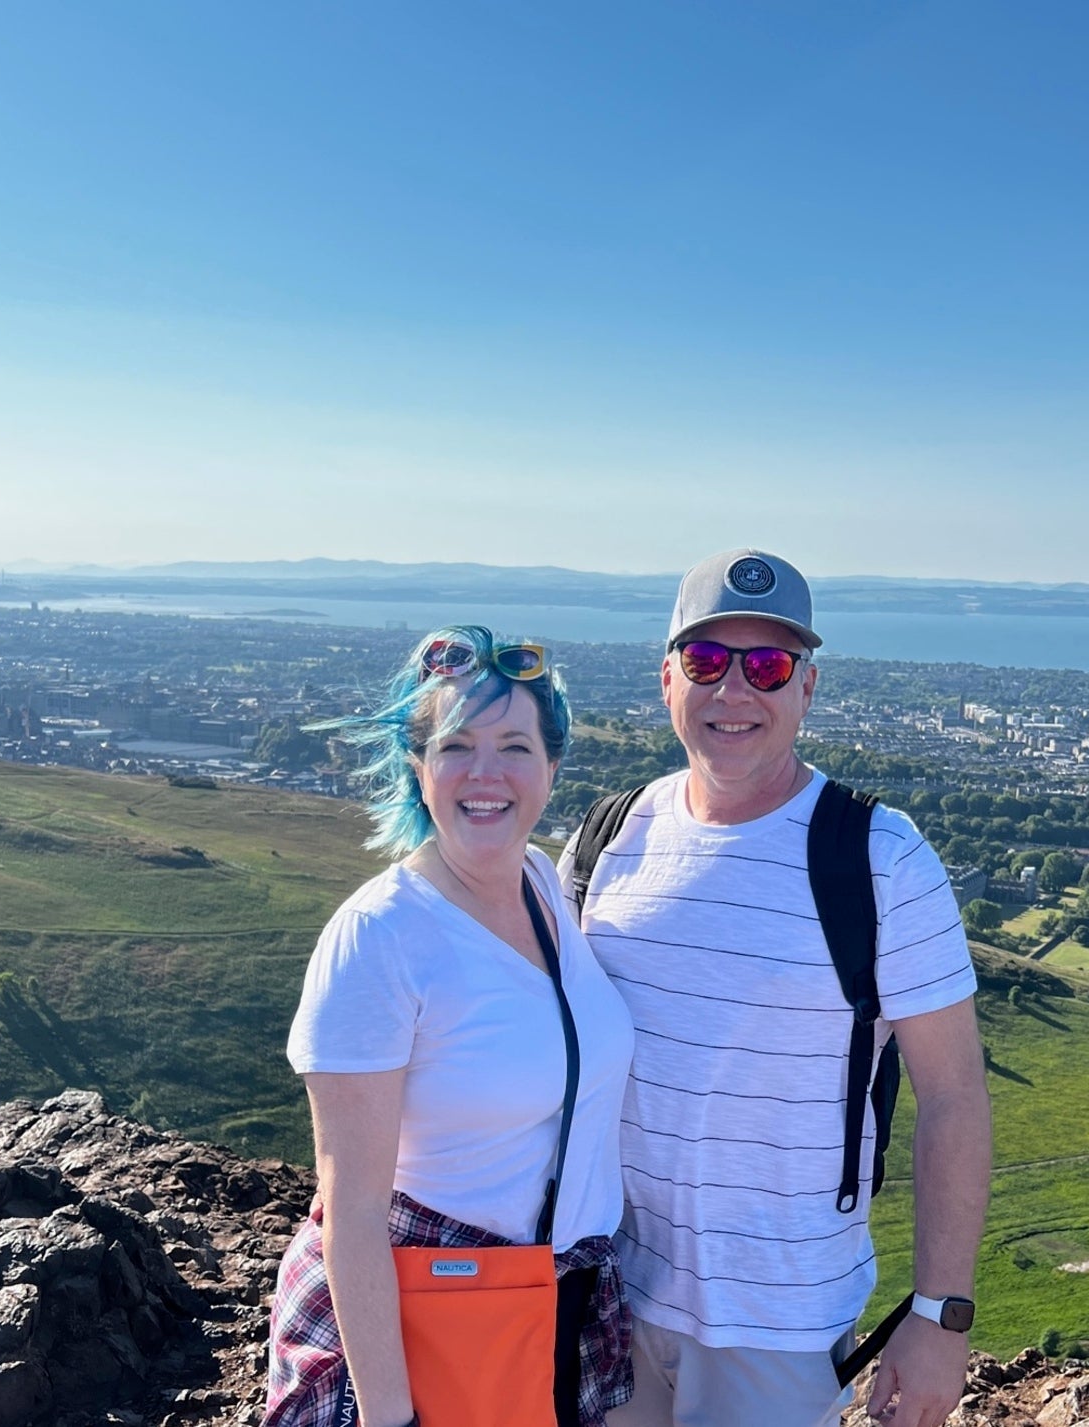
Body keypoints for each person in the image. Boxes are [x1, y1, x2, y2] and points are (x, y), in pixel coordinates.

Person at [560, 550, 992, 1427]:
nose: (734, 692)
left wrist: (941, 1315)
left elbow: (954, 1096)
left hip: (784, 1324)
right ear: (667, 679)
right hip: (610, 1294)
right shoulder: (605, 841)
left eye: (767, 666)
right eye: (708, 662)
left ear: (808, 687)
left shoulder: (879, 857)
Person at [265, 626, 636, 1427]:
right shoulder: (381, 935)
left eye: (514, 745)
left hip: (548, 1303)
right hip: (429, 1318)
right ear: (418, 764)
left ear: (552, 764)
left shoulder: (544, 883)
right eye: (456, 744)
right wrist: (389, 1419)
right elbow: (352, 1210)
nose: (485, 772)